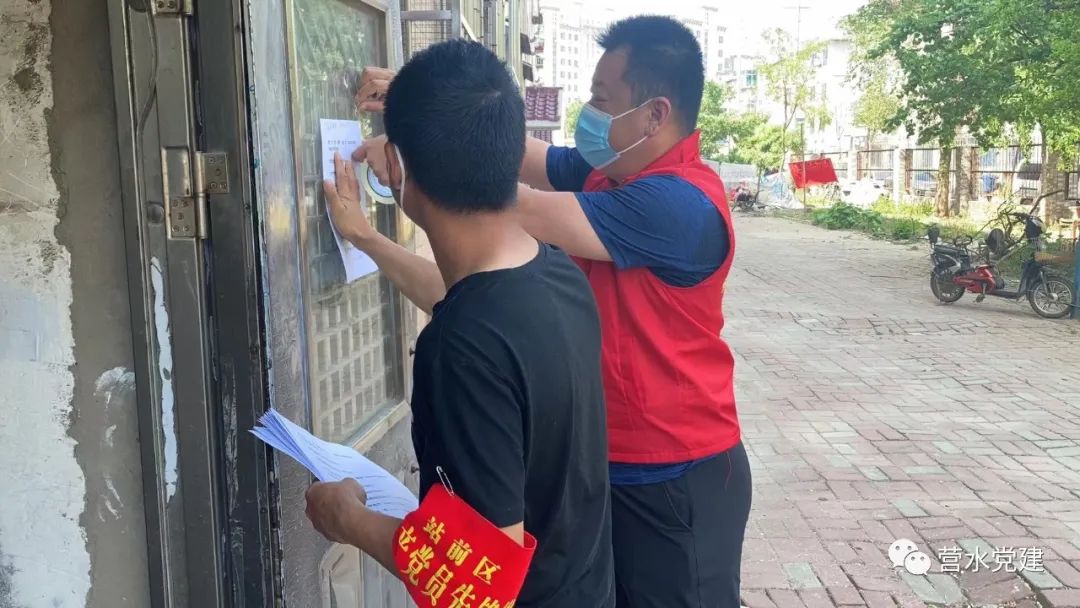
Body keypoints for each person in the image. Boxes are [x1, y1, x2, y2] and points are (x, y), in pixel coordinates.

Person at [354, 15, 751, 608]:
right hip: (608, 461)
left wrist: (424, 145)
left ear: (655, 115)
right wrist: (435, 102)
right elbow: (519, 154)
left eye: (602, 100)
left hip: (674, 474)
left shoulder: (680, 205)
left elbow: (489, 188)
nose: (591, 113)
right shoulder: (610, 176)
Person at [304, 39, 615, 608]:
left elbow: (479, 584)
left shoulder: (461, 348)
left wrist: (349, 520)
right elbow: (466, 302)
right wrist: (366, 238)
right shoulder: (556, 275)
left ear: (397, 167)